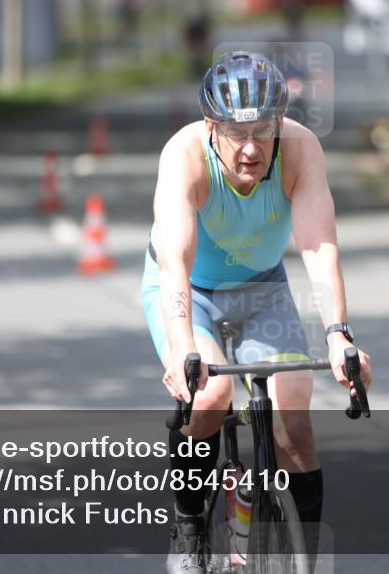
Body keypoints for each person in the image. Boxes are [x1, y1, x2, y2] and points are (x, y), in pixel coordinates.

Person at [141, 51, 373, 573]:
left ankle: (305, 558)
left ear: (280, 123)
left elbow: (318, 247)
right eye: (235, 132)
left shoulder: (300, 150)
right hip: (189, 289)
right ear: (211, 127)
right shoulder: (184, 155)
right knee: (211, 395)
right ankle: (189, 525)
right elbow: (176, 263)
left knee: (294, 415)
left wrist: (338, 334)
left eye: (263, 131)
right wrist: (182, 348)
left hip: (262, 289)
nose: (251, 148)